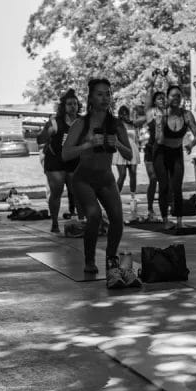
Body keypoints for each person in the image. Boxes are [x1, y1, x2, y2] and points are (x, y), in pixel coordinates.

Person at [61, 79, 135, 285]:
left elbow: (129, 155)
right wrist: (87, 144)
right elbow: (65, 154)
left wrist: (118, 143)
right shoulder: (81, 124)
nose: (105, 98)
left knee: (118, 220)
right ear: (91, 98)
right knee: (93, 215)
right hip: (83, 178)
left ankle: (111, 259)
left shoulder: (116, 124)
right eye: (100, 94)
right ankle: (90, 259)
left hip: (105, 178)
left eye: (108, 94)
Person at [152, 84, 196, 231]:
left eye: (178, 96)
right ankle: (165, 220)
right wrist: (159, 124)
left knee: (177, 187)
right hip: (160, 152)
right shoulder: (162, 114)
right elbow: (159, 140)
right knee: (165, 186)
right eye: (173, 95)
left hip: (176, 152)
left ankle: (179, 221)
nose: (176, 98)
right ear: (167, 98)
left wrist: (191, 144)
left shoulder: (187, 115)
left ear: (181, 98)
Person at [37, 89, 81, 233]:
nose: (73, 106)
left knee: (79, 192)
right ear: (64, 106)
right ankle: (55, 223)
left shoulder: (82, 121)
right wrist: (46, 132)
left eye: (75, 104)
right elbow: (40, 139)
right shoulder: (55, 122)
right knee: (56, 191)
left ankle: (82, 222)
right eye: (69, 104)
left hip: (74, 160)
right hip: (56, 160)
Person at [143, 90, 166, 219]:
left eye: (163, 98)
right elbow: (148, 99)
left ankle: (167, 206)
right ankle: (150, 208)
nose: (162, 100)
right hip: (151, 150)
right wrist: (152, 80)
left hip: (164, 150)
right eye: (159, 98)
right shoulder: (150, 113)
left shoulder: (168, 113)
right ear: (155, 101)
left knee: (165, 180)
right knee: (153, 178)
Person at [112, 105, 139, 200]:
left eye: (126, 113)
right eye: (122, 114)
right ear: (119, 114)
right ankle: (115, 196)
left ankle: (133, 196)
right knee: (122, 174)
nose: (124, 115)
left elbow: (136, 138)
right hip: (121, 150)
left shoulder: (132, 124)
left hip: (133, 150)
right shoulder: (117, 125)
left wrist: (137, 148)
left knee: (133, 173)